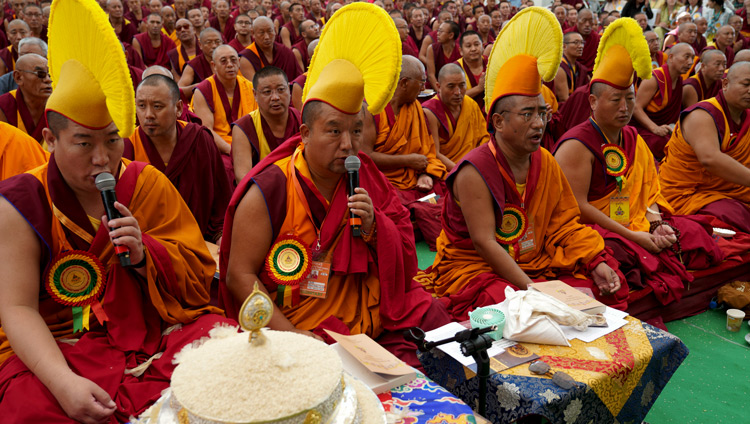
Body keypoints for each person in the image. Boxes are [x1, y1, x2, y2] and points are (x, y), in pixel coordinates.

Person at [0, 0, 232, 420]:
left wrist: (148, 257)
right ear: (50, 141)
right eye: (84, 144)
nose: (102, 159)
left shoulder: (144, 182)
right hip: (59, 341)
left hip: (151, 324)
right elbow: (15, 308)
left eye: (111, 140)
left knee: (225, 345)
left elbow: (198, 271)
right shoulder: (20, 201)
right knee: (28, 407)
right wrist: (63, 382)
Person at [221, 3, 449, 368]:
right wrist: (293, 337)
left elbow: (405, 246)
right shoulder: (271, 187)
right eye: (334, 131)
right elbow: (239, 275)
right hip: (301, 322)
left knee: (435, 319)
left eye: (356, 130)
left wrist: (377, 229)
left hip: (371, 309)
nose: (348, 144)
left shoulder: (366, 175)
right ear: (305, 133)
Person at [421, 7, 626, 321]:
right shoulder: (474, 169)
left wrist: (594, 260)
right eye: (527, 114)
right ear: (499, 122)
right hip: (478, 267)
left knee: (604, 283)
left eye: (542, 113)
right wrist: (534, 290)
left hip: (536, 258)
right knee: (512, 306)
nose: (538, 124)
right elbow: (484, 242)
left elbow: (564, 223)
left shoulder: (545, 159)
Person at [554, 18, 720, 308]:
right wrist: (633, 234)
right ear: (592, 102)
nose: (625, 108)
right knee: (623, 256)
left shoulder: (632, 136)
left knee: (693, 235)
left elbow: (648, 192)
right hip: (590, 227)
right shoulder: (576, 144)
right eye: (615, 99)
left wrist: (655, 223)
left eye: (629, 98)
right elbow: (577, 207)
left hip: (633, 219)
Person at [124, 74, 230, 243]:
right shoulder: (128, 147)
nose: (148, 115)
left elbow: (220, 202)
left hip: (200, 242)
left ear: (179, 108)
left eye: (157, 106)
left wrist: (220, 236)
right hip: (147, 246)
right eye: (141, 106)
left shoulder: (199, 140)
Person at [364, 55, 448, 249]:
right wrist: (408, 161)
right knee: (390, 203)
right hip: (385, 179)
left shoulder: (415, 107)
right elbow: (365, 156)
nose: (423, 88)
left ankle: (419, 215)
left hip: (415, 176)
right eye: (421, 83)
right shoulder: (373, 108)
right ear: (404, 83)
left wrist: (425, 173)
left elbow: (427, 150)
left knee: (448, 186)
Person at [659, 62, 750, 233]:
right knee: (736, 215)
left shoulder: (746, 117)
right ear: (725, 84)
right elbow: (710, 159)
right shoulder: (702, 114)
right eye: (746, 84)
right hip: (688, 194)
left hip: (731, 188)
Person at [232, 66, 301, 183]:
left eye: (280, 89)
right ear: (255, 94)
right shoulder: (245, 127)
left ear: (289, 90)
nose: (275, 97)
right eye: (267, 92)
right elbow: (242, 178)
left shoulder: (301, 118)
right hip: (264, 192)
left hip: (299, 188)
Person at [192, 44, 258, 157]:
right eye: (223, 61)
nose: (230, 65)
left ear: (239, 61)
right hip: (219, 148)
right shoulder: (203, 90)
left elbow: (259, 123)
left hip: (249, 144)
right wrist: (232, 151)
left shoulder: (249, 87)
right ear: (213, 66)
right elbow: (206, 130)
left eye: (233, 60)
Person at [632, 43, 694, 160]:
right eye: (686, 57)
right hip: (643, 128)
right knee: (665, 144)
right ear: (670, 58)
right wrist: (655, 128)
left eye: (692, 57)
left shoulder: (679, 80)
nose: (690, 62)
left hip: (664, 128)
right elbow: (636, 108)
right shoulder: (655, 78)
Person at [423, 63, 489, 171]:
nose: (458, 92)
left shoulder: (470, 104)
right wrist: (459, 171)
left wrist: (477, 164)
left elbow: (483, 139)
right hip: (448, 169)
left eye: (462, 85)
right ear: (438, 87)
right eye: (451, 86)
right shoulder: (430, 111)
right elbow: (434, 153)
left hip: (473, 164)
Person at [0, 53, 51, 142]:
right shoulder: (4, 106)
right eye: (40, 74)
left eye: (49, 75)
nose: (48, 80)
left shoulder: (57, 106)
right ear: (18, 77)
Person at [239, 16, 302, 82]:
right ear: (253, 33)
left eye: (269, 31)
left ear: (275, 30)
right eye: (261, 32)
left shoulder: (286, 52)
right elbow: (254, 88)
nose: (266, 37)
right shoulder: (247, 57)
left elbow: (298, 81)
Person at [177, 27, 221, 100]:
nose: (214, 46)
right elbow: (179, 91)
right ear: (200, 45)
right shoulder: (194, 65)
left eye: (217, 41)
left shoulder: (229, 61)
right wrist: (198, 87)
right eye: (209, 42)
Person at [454, 30, 486, 111]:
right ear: (461, 51)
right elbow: (453, 97)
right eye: (468, 46)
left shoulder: (491, 62)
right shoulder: (455, 68)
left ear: (483, 47)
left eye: (476, 44)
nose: (473, 49)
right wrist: (479, 88)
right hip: (465, 113)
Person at [553, 31, 589, 102]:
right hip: (563, 108)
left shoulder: (579, 67)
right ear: (564, 46)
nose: (581, 46)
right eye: (576, 42)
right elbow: (564, 99)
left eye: (582, 43)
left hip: (575, 103)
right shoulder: (560, 67)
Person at [425, 20, 460, 90]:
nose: (437, 33)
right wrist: (440, 91)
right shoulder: (432, 49)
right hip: (435, 86)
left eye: (441, 31)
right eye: (438, 31)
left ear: (451, 35)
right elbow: (431, 75)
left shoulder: (460, 50)